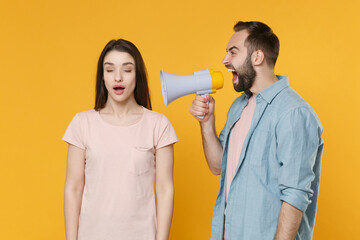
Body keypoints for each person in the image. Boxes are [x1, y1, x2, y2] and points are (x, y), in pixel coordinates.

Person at [190, 21, 323, 240]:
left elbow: (295, 196)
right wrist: (206, 122)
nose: (225, 60)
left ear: (257, 57)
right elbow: (217, 165)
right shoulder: (239, 106)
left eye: (233, 52)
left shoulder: (294, 113)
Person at [63, 39, 178, 240]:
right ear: (102, 77)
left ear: (137, 75)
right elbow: (73, 188)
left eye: (127, 70)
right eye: (109, 70)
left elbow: (165, 189)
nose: (118, 77)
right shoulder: (82, 123)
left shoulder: (158, 125)